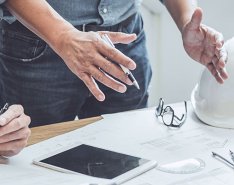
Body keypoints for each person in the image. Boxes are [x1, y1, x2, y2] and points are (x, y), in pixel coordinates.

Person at [0, 0, 228, 127]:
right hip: (35, 46)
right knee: (34, 159)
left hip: (125, 40)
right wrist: (63, 37)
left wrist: (187, 19)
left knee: (125, 156)